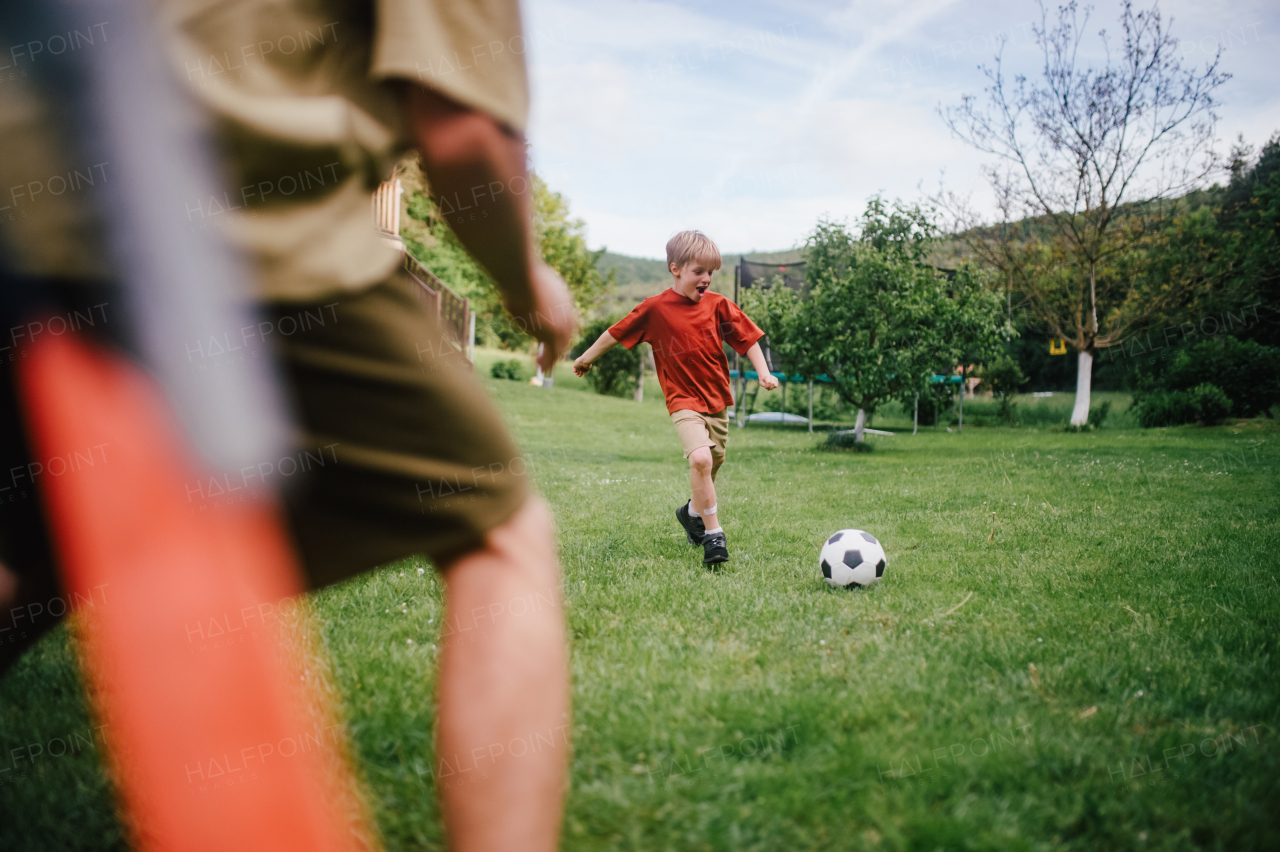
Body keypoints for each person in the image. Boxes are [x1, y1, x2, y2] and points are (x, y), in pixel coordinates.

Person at [0, 2, 574, 850]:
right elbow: (464, 136)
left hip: (32, 222)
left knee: (34, 544)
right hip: (252, 231)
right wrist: (529, 287)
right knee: (500, 532)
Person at [572, 231, 778, 564]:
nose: (706, 279)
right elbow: (616, 332)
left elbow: (748, 338)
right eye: (699, 271)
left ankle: (691, 512)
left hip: (716, 401)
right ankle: (714, 535)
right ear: (676, 269)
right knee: (700, 459)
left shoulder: (718, 305)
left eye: (711, 272)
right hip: (682, 400)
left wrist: (764, 371)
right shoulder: (655, 309)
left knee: (714, 463)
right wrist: (586, 357)